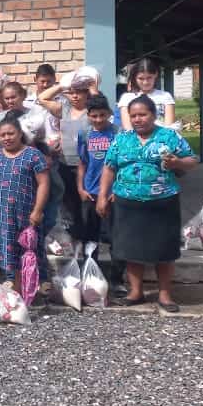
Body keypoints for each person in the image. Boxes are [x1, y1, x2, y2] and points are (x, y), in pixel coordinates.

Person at [98, 95, 198, 312]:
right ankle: (136, 292)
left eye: (142, 114)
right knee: (132, 250)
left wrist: (177, 162)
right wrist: (102, 196)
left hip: (162, 203)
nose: (137, 119)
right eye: (133, 115)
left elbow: (192, 160)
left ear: (153, 115)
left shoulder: (169, 136)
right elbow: (109, 167)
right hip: (127, 203)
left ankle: (165, 295)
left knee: (164, 250)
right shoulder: (122, 139)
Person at [0, 117, 50, 283]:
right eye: (3, 135)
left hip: (22, 216)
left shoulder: (33, 155)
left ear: (20, 134)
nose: (7, 138)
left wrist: (38, 210)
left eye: (11, 133)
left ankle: (18, 297)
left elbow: (44, 184)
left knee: (20, 256)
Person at [75, 93, 125, 295]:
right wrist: (80, 188)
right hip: (90, 194)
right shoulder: (85, 134)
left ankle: (116, 280)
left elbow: (122, 164)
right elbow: (82, 163)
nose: (98, 120)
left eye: (102, 115)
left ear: (109, 114)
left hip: (112, 195)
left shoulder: (117, 133)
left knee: (115, 238)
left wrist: (117, 189)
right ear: (88, 115)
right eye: (94, 116)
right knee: (89, 237)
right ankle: (90, 277)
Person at [38, 77, 94, 235]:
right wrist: (62, 86)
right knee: (70, 208)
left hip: (87, 167)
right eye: (71, 93)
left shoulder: (92, 111)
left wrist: (92, 86)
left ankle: (90, 248)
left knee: (87, 208)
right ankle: (74, 247)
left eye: (79, 93)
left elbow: (100, 102)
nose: (75, 96)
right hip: (65, 164)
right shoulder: (65, 109)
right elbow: (42, 98)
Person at [117, 57, 176, 129]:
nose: (145, 82)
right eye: (141, 78)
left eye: (149, 77)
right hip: (135, 138)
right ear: (135, 78)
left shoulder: (165, 96)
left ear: (156, 74)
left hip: (162, 138)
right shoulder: (126, 98)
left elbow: (169, 127)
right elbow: (128, 128)